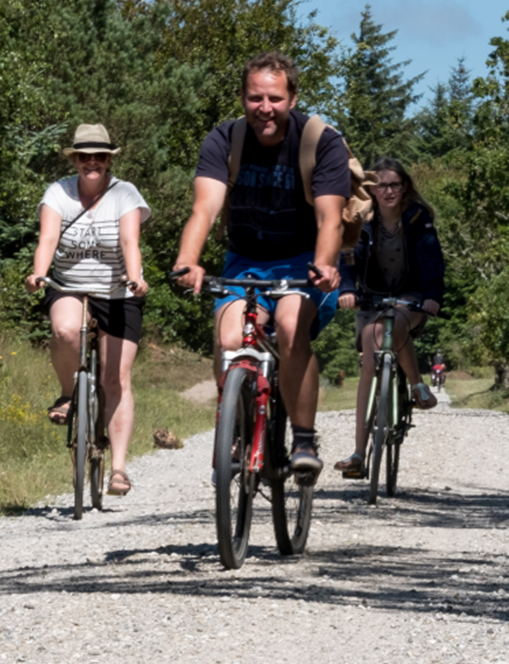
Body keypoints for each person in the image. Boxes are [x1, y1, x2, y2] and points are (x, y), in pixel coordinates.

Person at [173, 51, 351, 479]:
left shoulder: (321, 141)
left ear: (293, 98)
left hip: (303, 262)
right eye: (255, 98)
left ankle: (303, 439)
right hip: (245, 261)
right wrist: (187, 261)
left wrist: (325, 265)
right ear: (242, 97)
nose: (264, 108)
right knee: (229, 337)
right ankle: (235, 428)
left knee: (290, 327)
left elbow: (330, 218)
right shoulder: (225, 139)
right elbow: (204, 209)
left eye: (274, 98)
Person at [25, 124, 150, 497]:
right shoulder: (58, 192)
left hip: (117, 291)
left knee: (116, 378)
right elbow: (48, 238)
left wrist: (135, 278)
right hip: (70, 287)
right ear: (75, 159)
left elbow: (129, 240)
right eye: (84, 156)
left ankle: (118, 469)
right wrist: (39, 274)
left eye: (99, 156)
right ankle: (68, 393)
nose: (91, 162)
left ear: (108, 160)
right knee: (65, 330)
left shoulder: (124, 193)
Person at [333, 157, 445, 478]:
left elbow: (431, 259)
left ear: (405, 187)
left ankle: (417, 385)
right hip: (371, 297)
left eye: (395, 184)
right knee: (369, 359)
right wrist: (346, 289)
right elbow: (347, 256)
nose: (388, 191)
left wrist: (432, 295)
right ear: (372, 190)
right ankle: (358, 454)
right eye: (381, 185)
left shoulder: (417, 218)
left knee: (390, 325)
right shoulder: (362, 219)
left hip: (410, 297)